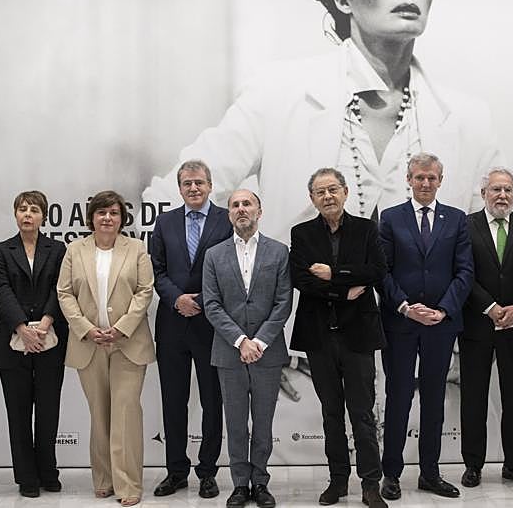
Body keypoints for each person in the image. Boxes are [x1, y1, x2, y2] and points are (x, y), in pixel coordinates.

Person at [142, 0, 503, 242]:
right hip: (302, 313)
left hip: (425, 315)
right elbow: (169, 199)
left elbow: (494, 237)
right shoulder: (278, 92)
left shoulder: (469, 119)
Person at [290, 168, 388, 508]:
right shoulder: (302, 233)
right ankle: (338, 480)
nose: (328, 196)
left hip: (358, 336)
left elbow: (376, 271)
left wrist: (333, 273)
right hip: (319, 337)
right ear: (312, 198)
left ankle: (371, 484)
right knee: (331, 413)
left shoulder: (366, 229)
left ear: (345, 192)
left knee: (362, 413)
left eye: (333, 189)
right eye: (320, 192)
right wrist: (343, 291)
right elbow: (302, 280)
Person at [378, 153, 473, 500]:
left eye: (432, 177)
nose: (425, 183)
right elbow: (382, 271)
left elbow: (465, 271)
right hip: (400, 324)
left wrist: (443, 310)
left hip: (439, 325)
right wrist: (406, 307)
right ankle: (391, 474)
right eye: (419, 177)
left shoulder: (457, 219)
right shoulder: (390, 218)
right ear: (408, 179)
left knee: (434, 400)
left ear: (440, 180)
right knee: (399, 398)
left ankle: (430, 473)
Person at [56, 190, 155, 507]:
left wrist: (121, 327)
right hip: (89, 344)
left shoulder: (136, 248)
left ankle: (128, 484)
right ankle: (103, 479)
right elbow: (64, 293)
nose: (107, 218)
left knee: (125, 413)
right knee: (99, 414)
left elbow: (145, 291)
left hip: (128, 343)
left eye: (113, 212)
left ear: (122, 218)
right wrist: (86, 328)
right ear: (91, 218)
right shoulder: (75, 250)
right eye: (101, 212)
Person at [203, 189, 292, 508]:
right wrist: (241, 341)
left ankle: (261, 482)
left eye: (247, 204)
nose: (241, 209)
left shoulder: (279, 252)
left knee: (263, 423)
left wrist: (259, 342)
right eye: (235, 205)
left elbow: (283, 302)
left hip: (268, 352)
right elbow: (212, 304)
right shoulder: (214, 255)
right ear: (229, 214)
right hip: (229, 352)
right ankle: (240, 484)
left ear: (259, 211)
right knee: (236, 423)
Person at [149, 160, 232, 499]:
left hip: (212, 324)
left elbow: (230, 269)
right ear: (180, 188)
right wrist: (177, 299)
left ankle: (208, 472)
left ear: (210, 185)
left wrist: (199, 299)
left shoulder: (226, 220)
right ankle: (176, 471)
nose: (194, 188)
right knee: (173, 401)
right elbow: (156, 270)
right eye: (187, 183)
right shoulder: (164, 222)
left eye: (199, 182)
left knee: (213, 401)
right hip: (172, 324)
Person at [458, 168, 513, 488]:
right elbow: (463, 273)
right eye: (496, 189)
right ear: (483, 194)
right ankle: (473, 465)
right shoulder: (465, 226)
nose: (502, 195)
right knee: (474, 398)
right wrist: (490, 307)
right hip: (477, 325)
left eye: (507, 189)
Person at [0, 190, 68, 498]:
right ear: (15, 214)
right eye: (22, 209)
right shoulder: (2, 249)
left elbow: (61, 287)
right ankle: (26, 476)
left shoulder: (57, 249)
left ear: (44, 216)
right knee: (18, 412)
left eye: (34, 209)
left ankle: (48, 471)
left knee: (48, 410)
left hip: (50, 337)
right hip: (12, 339)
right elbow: (0, 288)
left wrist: (44, 323)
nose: (28, 214)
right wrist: (22, 327)